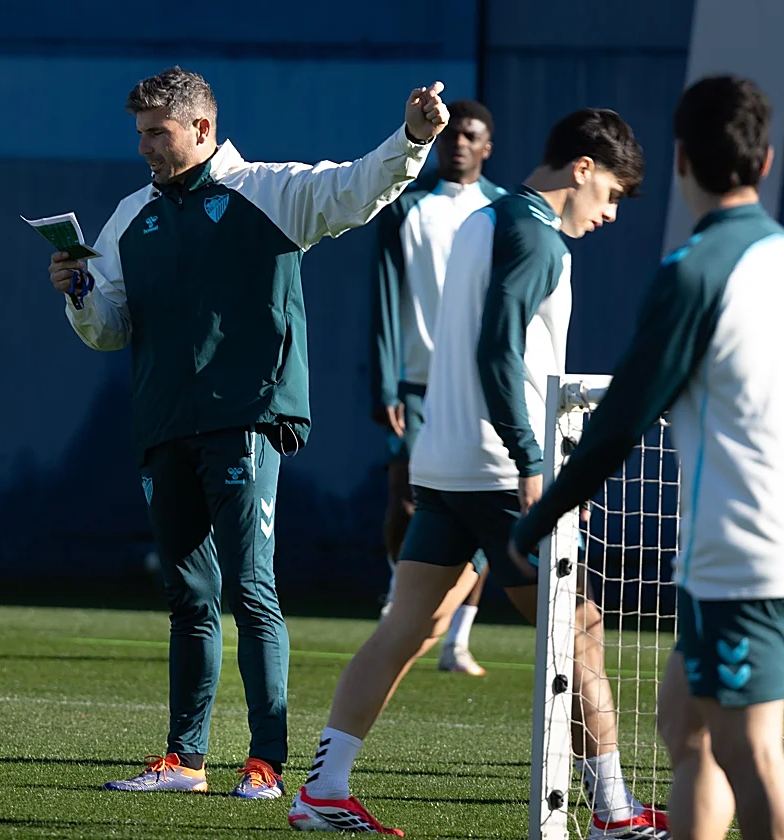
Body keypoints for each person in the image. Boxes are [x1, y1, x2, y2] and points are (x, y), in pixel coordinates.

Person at [47, 67, 448, 799]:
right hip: (164, 424)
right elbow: (108, 330)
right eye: (138, 133)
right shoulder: (129, 214)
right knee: (188, 598)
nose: (143, 147)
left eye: (156, 133)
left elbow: (360, 188)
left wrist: (414, 137)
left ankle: (267, 762)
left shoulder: (269, 191)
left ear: (202, 128)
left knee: (251, 590)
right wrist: (77, 292)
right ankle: (185, 761)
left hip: (247, 420)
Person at [290, 109, 666, 838]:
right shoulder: (534, 235)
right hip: (500, 473)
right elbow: (500, 353)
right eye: (613, 193)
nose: (612, 213)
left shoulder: (481, 220)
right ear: (583, 168)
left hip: (443, 462)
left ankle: (323, 791)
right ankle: (616, 815)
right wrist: (535, 467)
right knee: (580, 633)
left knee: (409, 626)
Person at [512, 76, 784, 840]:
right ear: (764, 163)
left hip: (742, 560)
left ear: (678, 160)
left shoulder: (693, 272)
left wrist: (543, 512)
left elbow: (620, 423)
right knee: (683, 725)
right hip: (783, 553)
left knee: (752, 751)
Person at [371, 99, 505, 675]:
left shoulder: (506, 212)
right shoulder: (406, 207)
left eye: (469, 135)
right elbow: (384, 300)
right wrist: (386, 383)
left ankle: (456, 640)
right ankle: (400, 602)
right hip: (418, 385)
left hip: (482, 388)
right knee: (405, 496)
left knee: (484, 508)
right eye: (450, 134)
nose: (457, 143)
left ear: (486, 146)